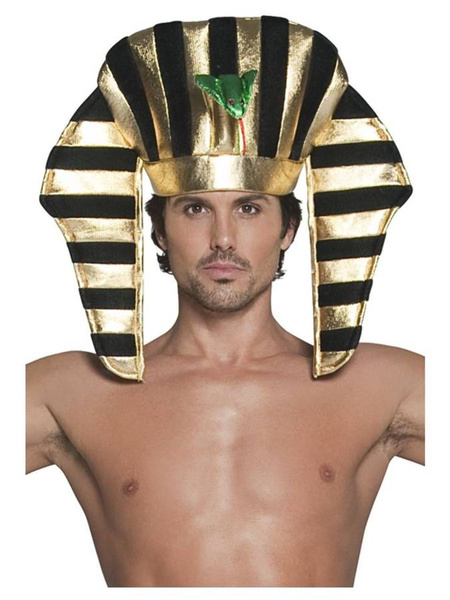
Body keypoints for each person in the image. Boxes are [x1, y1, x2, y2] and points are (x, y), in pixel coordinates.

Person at [26, 15, 425, 587]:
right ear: (157, 231)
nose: (223, 238)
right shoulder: (66, 393)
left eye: (249, 208)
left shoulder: (386, 387)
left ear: (288, 229)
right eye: (194, 209)